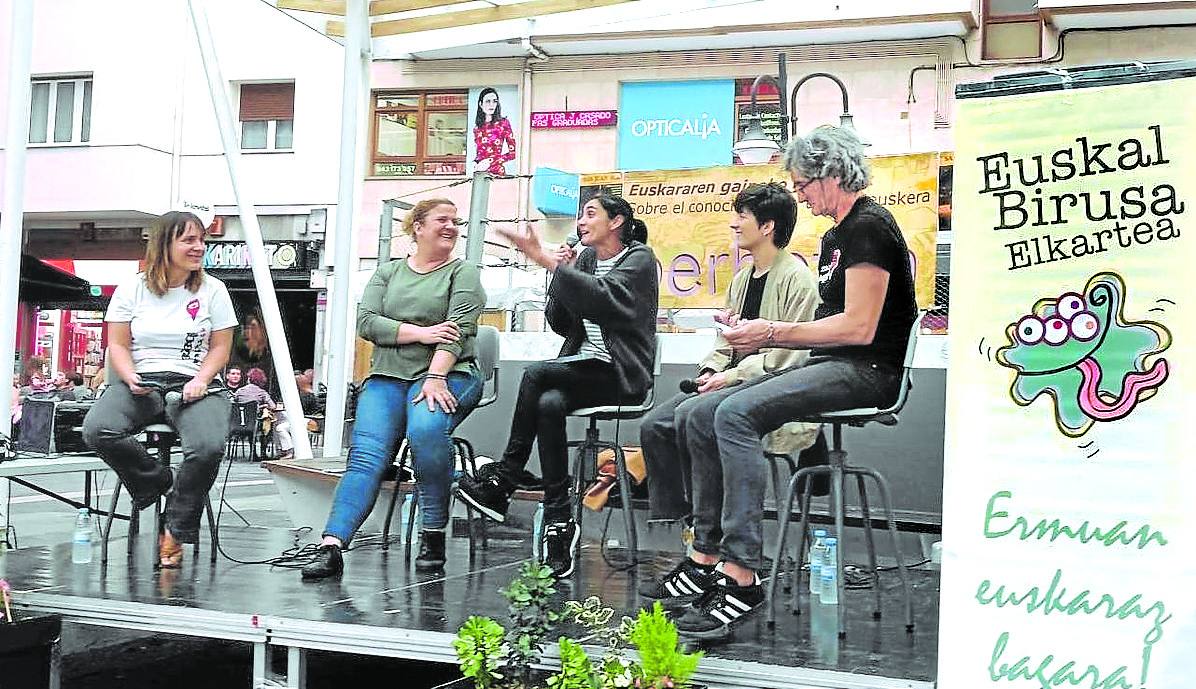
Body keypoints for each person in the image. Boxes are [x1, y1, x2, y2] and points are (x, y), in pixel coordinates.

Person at [651, 126, 917, 640]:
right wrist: (752, 338)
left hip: (867, 371)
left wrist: (771, 331)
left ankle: (741, 573)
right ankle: (706, 555)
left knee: (734, 413)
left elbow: (859, 328)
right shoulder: (838, 236)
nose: (800, 195)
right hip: (831, 363)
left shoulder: (869, 228)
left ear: (832, 174)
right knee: (699, 412)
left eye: (803, 184)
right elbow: (825, 324)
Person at [455, 193, 658, 579]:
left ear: (616, 221)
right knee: (548, 402)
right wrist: (562, 274)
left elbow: (606, 298)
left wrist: (548, 262)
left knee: (536, 374)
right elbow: (562, 323)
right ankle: (559, 521)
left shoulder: (639, 259)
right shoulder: (586, 259)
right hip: (584, 367)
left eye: (590, 214)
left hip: (622, 375)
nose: (581, 222)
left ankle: (506, 478)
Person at [301, 198, 485, 580]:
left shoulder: (463, 273)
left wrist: (435, 376)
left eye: (456, 221)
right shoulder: (388, 273)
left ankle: (433, 532)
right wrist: (421, 333)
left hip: (449, 373)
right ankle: (332, 545)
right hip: (388, 376)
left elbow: (457, 332)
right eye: (442, 219)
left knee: (425, 429)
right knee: (367, 455)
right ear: (417, 227)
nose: (452, 226)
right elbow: (367, 322)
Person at [637, 183, 820, 552]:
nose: (734, 223)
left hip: (766, 388)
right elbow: (725, 342)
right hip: (729, 383)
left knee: (693, 415)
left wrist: (731, 376)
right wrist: (710, 372)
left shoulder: (798, 280)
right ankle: (691, 518)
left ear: (767, 226)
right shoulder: (741, 279)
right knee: (654, 425)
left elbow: (789, 357)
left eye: (742, 216)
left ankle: (709, 534)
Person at [82, 210, 237, 569]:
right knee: (98, 429)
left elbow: (220, 347)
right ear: (164, 244)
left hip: (195, 382)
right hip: (142, 380)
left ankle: (176, 528)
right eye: (189, 240)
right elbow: (118, 344)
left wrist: (201, 380)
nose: (199, 247)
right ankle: (161, 482)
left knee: (208, 447)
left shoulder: (214, 290)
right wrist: (129, 376)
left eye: (202, 240)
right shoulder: (132, 288)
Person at [233, 367, 294, 460]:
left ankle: (253, 453)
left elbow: (234, 404)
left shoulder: (240, 391)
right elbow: (273, 406)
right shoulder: (262, 392)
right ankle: (263, 453)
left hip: (239, 424)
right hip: (256, 423)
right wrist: (263, 406)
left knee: (253, 426)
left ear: (249, 379)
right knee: (267, 428)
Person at [472, 87, 516, 176]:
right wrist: (476, 163)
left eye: (495, 101)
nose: (491, 105)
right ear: (481, 104)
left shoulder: (503, 123)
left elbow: (514, 153)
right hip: (480, 172)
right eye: (488, 101)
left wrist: (490, 161)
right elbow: (479, 153)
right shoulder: (477, 128)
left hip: (497, 173)